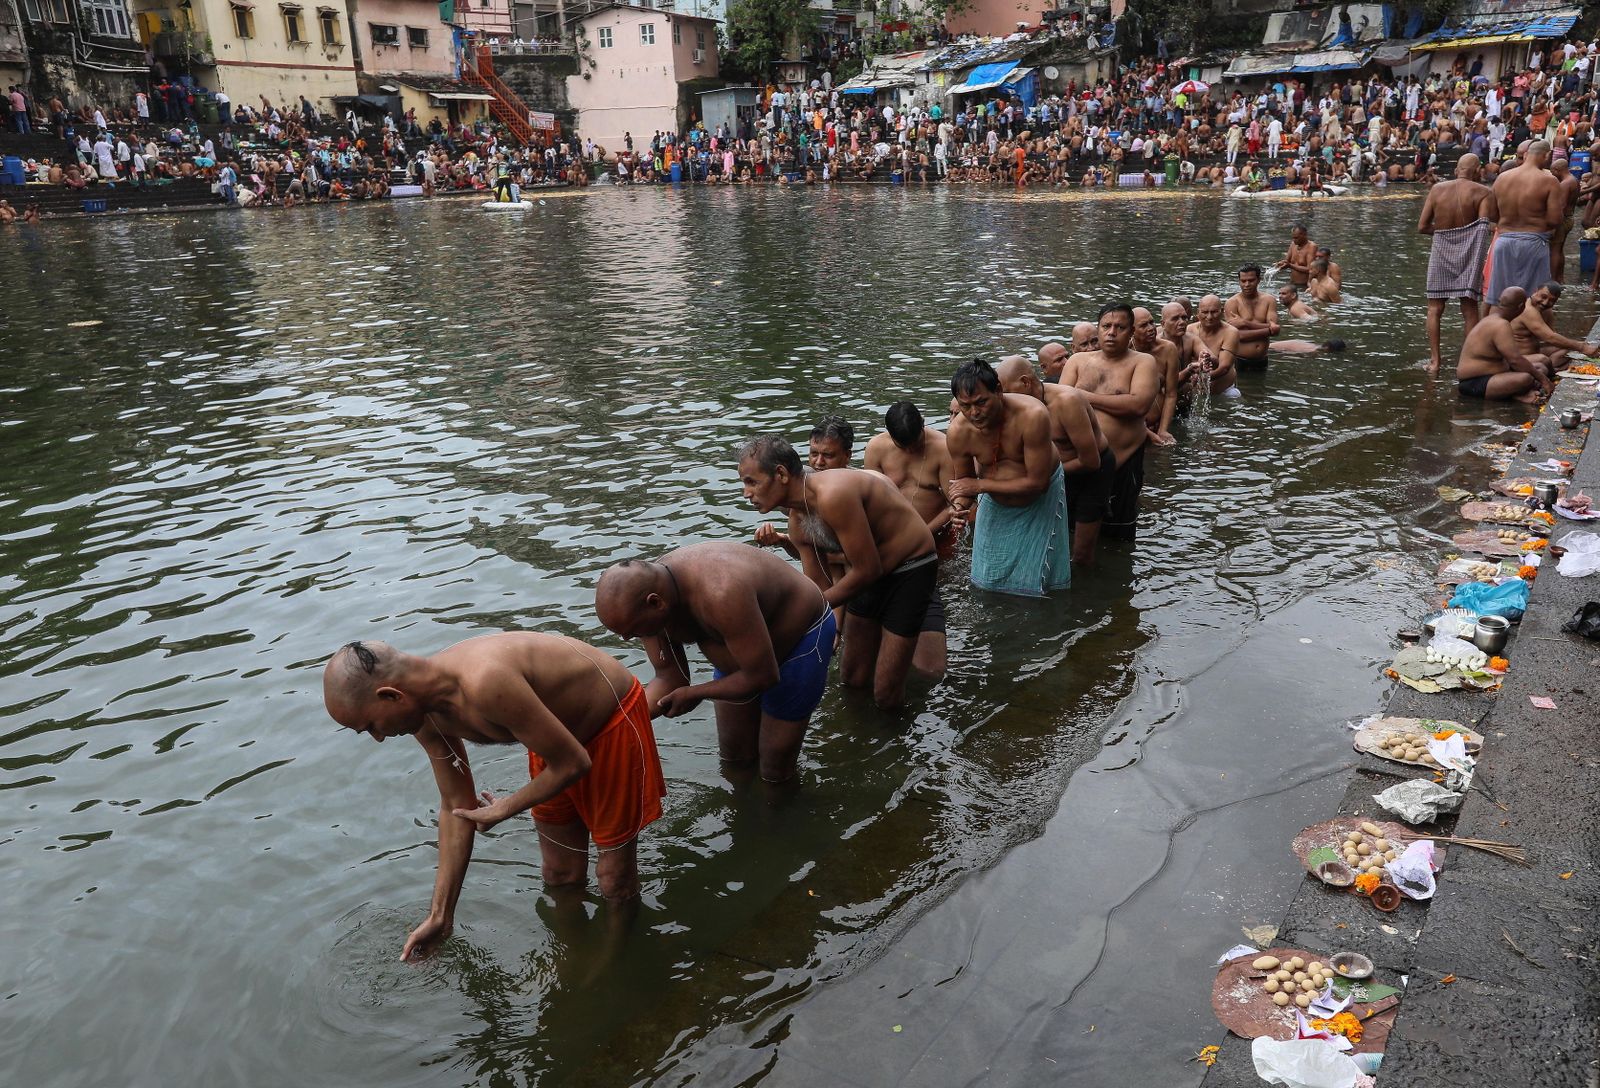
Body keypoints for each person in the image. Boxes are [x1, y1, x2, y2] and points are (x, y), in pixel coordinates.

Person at [320, 634, 665, 960]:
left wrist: (504, 809)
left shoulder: (484, 681)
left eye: (370, 726)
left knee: (614, 880)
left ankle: (611, 959)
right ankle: (574, 954)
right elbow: (455, 807)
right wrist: (441, 915)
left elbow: (574, 763)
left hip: (610, 720)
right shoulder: (423, 716)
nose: (378, 738)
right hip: (552, 738)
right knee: (559, 874)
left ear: (391, 696)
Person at [595, 542, 834, 782]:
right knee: (734, 758)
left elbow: (763, 676)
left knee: (774, 770)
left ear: (656, 602)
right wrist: (610, 727)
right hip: (741, 658)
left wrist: (696, 693)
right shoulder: (646, 601)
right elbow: (669, 678)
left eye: (633, 631)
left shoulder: (721, 592)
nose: (628, 638)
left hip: (801, 640)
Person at [737, 436, 935, 710]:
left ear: (781, 474)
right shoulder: (798, 523)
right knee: (851, 679)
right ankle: (859, 732)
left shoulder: (833, 494)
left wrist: (800, 614)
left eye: (751, 482)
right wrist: (818, 628)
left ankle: (903, 728)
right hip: (866, 574)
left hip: (910, 568)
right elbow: (819, 588)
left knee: (886, 693)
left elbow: (866, 570)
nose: (746, 493)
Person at [947, 357, 1069, 593]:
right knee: (987, 581)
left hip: (1039, 499)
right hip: (994, 500)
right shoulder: (958, 432)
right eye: (965, 406)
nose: (974, 413)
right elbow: (964, 485)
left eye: (981, 402)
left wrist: (979, 486)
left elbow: (1038, 483)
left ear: (999, 391)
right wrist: (959, 508)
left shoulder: (1032, 415)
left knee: (1041, 581)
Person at [862, 402, 956, 679]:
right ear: (890, 436)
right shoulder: (876, 448)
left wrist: (922, 533)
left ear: (923, 424)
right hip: (892, 544)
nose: (911, 451)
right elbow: (870, 501)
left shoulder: (943, 448)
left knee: (938, 593)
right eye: (903, 446)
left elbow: (955, 503)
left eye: (915, 443)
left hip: (935, 538)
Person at [994, 355, 1112, 564]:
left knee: (1082, 553)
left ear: (1025, 382)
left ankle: (1085, 580)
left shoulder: (1066, 401)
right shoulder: (1016, 408)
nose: (1004, 400)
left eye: (1007, 392)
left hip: (1092, 472)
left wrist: (1041, 476)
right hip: (1054, 473)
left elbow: (1091, 461)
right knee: (1052, 541)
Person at [1059, 305, 1162, 544]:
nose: (1112, 332)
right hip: (1077, 462)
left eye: (1120, 327)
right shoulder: (1077, 361)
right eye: (1106, 326)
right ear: (1098, 329)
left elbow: (1138, 405)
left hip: (1121, 463)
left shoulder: (1143, 362)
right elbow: (1059, 404)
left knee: (1117, 538)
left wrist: (1084, 397)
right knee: (1068, 531)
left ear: (1131, 332)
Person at [1419, 153, 1497, 373]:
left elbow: (1422, 227)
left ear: (1456, 170)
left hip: (1441, 249)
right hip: (1469, 253)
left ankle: (1435, 362)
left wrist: (1445, 231)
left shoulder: (1437, 189)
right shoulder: (1483, 192)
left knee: (1434, 308)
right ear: (1477, 171)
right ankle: (1469, 360)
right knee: (1469, 308)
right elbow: (1483, 227)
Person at [1487, 140, 1564, 300]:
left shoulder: (1502, 178)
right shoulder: (1549, 181)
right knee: (1535, 300)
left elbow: (1492, 215)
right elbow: (1555, 220)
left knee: (1501, 300)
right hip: (1533, 242)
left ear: (1527, 155)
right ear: (1547, 156)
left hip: (1504, 241)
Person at [1455, 287, 1550, 403]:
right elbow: (1515, 360)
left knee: (1540, 368)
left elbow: (1514, 360)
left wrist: (1540, 376)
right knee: (1526, 378)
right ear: (1521, 307)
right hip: (1474, 383)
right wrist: (1544, 381)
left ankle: (1518, 394)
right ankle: (1516, 395)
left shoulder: (1494, 319)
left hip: (1495, 375)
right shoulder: (1500, 325)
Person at [1510, 281, 1599, 371]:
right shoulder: (1527, 310)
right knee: (1543, 359)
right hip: (1519, 358)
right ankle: (1552, 370)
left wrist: (1577, 344)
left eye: (1552, 300)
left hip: (1534, 352)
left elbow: (1553, 337)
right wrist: (1582, 347)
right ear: (1535, 291)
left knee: (1567, 349)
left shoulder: (1546, 310)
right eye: (1543, 297)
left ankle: (1551, 368)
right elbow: (1550, 337)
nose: (1545, 303)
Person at [1132, 306, 1181, 445]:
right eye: (1143, 325)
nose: (1151, 328)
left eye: (1152, 322)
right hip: (1132, 426)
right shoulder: (1125, 351)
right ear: (1131, 330)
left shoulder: (1168, 349)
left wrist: (1163, 430)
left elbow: (1171, 394)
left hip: (1158, 424)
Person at [1224, 264, 1278, 368]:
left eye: (1251, 280)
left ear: (1259, 280)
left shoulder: (1269, 300)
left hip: (1262, 359)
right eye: (1243, 281)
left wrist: (1245, 323)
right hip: (1239, 359)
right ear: (1239, 281)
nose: (1247, 284)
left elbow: (1275, 329)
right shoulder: (1232, 303)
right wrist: (1268, 330)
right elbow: (1238, 335)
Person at [1190, 294, 1242, 399]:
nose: (1209, 317)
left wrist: (1202, 378)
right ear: (1198, 313)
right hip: (1195, 391)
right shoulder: (1189, 330)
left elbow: (1224, 368)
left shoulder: (1231, 332)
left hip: (1224, 392)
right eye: (1205, 312)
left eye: (1214, 312)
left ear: (1222, 311)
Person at [1550, 156, 1580, 280]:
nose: (1552, 175)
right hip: (1569, 217)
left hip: (1562, 220)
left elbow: (1560, 206)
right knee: (1559, 249)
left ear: (1558, 170)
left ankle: (1552, 279)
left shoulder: (1565, 184)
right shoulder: (1574, 180)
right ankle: (1560, 278)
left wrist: (1553, 225)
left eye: (1552, 172)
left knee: (1554, 250)